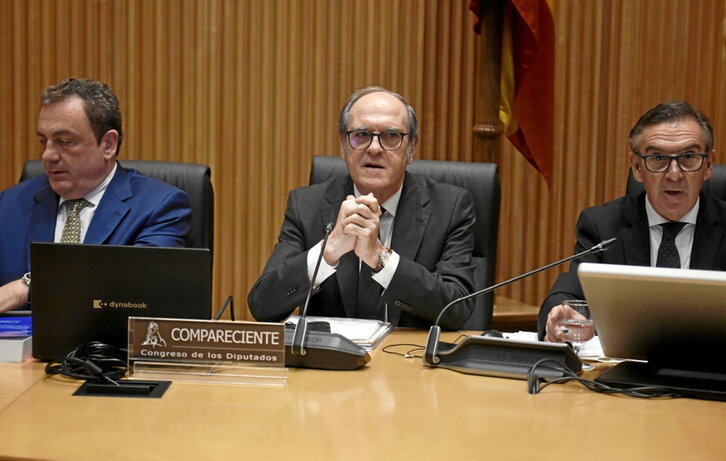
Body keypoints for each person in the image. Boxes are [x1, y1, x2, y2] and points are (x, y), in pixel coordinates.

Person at [248, 86, 477, 329]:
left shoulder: (450, 207)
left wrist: (379, 258)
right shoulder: (306, 206)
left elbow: (457, 309)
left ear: (411, 149)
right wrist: (328, 251)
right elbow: (263, 307)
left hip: (410, 360)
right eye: (361, 135)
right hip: (331, 362)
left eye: (391, 136)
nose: (375, 148)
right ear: (343, 145)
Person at [0, 78, 192, 314]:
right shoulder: (9, 204)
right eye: (44, 141)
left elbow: (142, 290)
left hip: (108, 349)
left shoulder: (159, 206)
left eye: (64, 142)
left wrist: (30, 285)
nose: (48, 155)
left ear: (108, 144)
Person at [539, 100, 724, 341]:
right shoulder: (603, 225)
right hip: (625, 370)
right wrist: (561, 316)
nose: (674, 174)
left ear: (708, 164)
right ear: (637, 167)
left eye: (688, 157)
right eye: (658, 158)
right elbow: (567, 294)